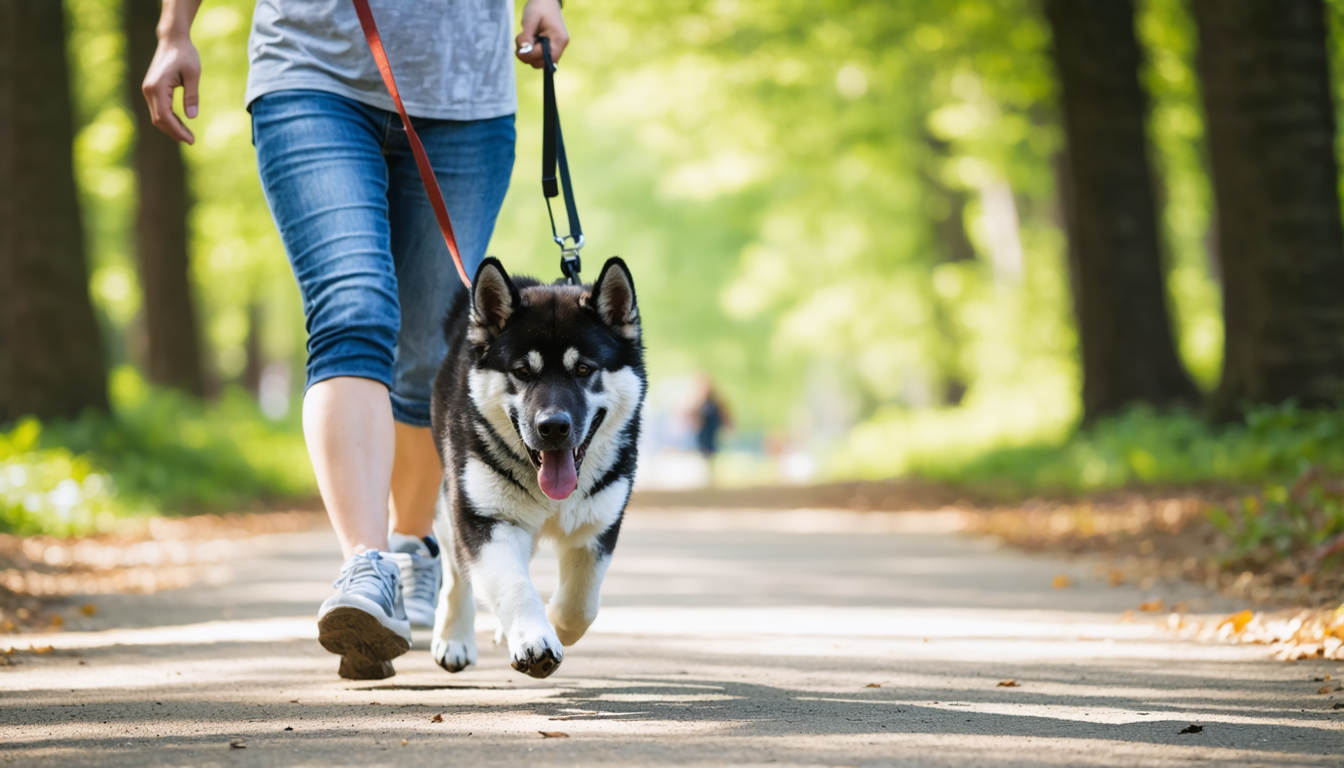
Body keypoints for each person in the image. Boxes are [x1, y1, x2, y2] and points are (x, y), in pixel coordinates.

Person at [142, 0, 570, 678]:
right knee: (353, 310)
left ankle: (411, 549)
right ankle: (366, 569)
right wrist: (174, 29)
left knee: (434, 347)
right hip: (310, 73)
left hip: (465, 95)